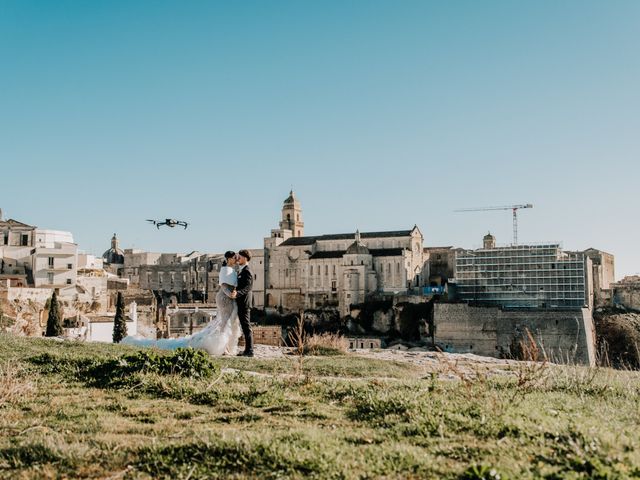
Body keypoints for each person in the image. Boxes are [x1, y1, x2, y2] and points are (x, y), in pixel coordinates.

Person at [121, 251, 242, 355]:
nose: (235, 259)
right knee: (224, 322)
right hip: (226, 298)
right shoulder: (225, 270)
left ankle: (225, 346)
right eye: (233, 258)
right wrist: (230, 294)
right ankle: (222, 347)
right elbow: (223, 285)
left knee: (226, 322)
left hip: (230, 298)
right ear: (228, 259)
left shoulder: (232, 269)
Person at [234, 249, 254, 357]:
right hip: (241, 302)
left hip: (244, 303)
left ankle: (250, 351)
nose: (238, 259)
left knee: (246, 327)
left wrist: (237, 293)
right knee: (244, 326)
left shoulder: (247, 271)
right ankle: (247, 350)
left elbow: (248, 288)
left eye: (239, 257)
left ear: (245, 258)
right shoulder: (242, 270)